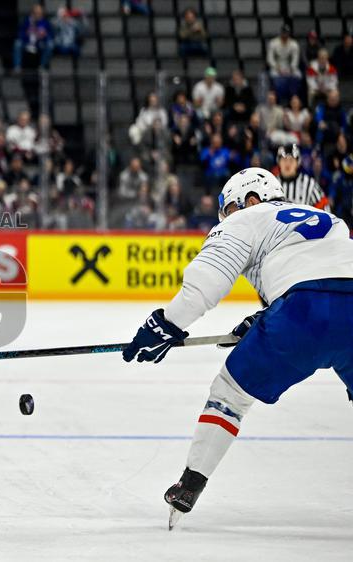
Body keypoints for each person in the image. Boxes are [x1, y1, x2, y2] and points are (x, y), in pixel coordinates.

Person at [122, 167, 353, 529]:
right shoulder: (329, 218)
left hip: (301, 313)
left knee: (230, 393)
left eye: (229, 208)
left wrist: (165, 324)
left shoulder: (247, 218)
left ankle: (190, 486)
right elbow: (327, 272)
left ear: (250, 199)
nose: (227, 217)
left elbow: (204, 286)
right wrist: (265, 315)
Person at [275, 144, 329, 210]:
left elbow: (325, 209)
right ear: (279, 162)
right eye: (284, 160)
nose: (287, 164)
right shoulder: (272, 184)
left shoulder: (309, 185)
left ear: (297, 163)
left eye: (291, 160)